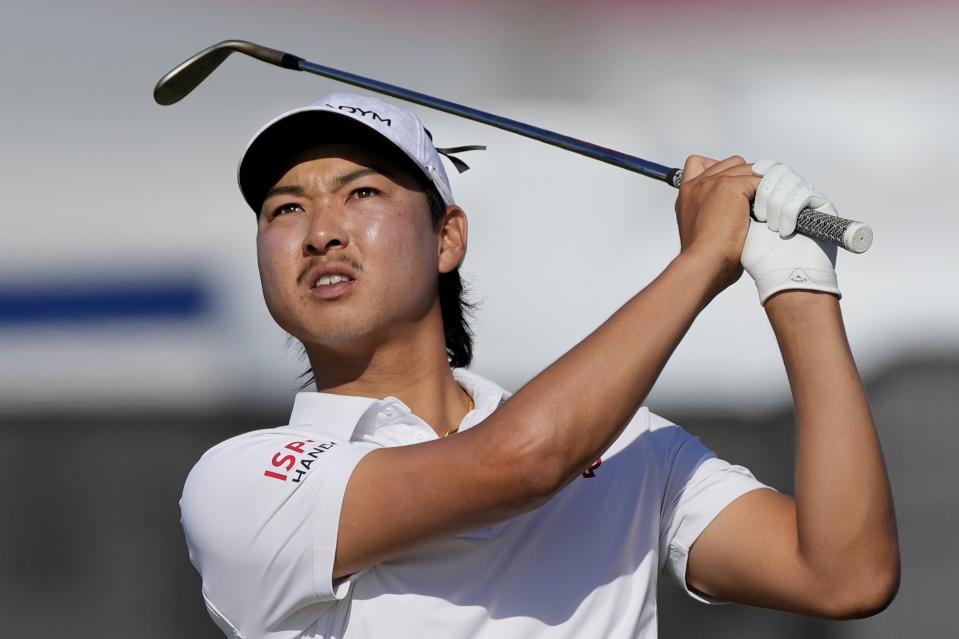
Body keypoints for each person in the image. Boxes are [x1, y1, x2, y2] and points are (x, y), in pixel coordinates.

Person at [179, 93, 899, 638]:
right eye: (283, 210)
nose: (320, 233)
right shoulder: (242, 481)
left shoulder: (625, 445)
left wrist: (798, 289)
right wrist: (702, 259)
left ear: (446, 238)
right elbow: (519, 460)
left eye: (361, 193)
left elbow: (844, 574)